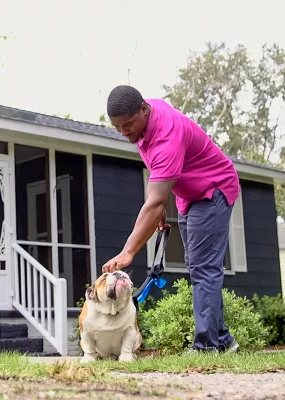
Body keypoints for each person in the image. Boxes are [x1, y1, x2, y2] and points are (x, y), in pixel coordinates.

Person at [101, 85, 240, 354]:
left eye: (128, 125)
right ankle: (222, 340)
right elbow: (158, 183)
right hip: (188, 194)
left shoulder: (167, 137)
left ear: (143, 109)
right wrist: (160, 202)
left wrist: (129, 251)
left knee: (204, 268)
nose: (124, 132)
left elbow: (154, 200)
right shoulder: (144, 117)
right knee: (198, 266)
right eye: (117, 127)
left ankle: (206, 346)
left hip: (213, 190)